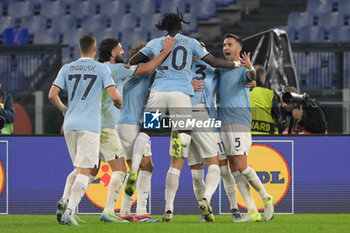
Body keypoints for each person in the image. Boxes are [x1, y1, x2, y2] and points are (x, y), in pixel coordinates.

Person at [126, 10, 240, 222]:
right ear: (181, 26)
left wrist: (132, 66)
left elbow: (134, 60)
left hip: (159, 92)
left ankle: (136, 172)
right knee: (194, 141)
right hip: (182, 96)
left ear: (164, 27)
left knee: (147, 131)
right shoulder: (191, 43)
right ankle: (183, 140)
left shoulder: (156, 42)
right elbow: (215, 63)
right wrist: (236, 63)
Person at [95, 37, 174, 223]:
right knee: (144, 166)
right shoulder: (144, 73)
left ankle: (125, 212)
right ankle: (140, 212)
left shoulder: (130, 74)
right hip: (130, 124)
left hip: (129, 123)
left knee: (140, 167)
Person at [48, 35, 122, 226]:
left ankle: (65, 201)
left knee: (80, 168)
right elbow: (114, 95)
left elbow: (52, 95)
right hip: (89, 126)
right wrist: (119, 102)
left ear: (79, 49)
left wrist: (64, 110)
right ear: (95, 49)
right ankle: (70, 212)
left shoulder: (67, 67)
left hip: (70, 124)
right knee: (85, 170)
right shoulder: (101, 68)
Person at [217, 33, 274, 222]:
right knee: (233, 168)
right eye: (224, 44)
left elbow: (251, 75)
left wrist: (250, 68)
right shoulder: (222, 68)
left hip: (238, 120)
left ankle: (266, 197)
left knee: (241, 165)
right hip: (223, 121)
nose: (226, 47)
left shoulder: (243, 68)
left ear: (239, 48)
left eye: (230, 44)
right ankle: (252, 211)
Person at [250, 65, 282, 134]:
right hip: (268, 138)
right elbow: (278, 118)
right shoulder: (270, 95)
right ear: (263, 78)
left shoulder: (243, 94)